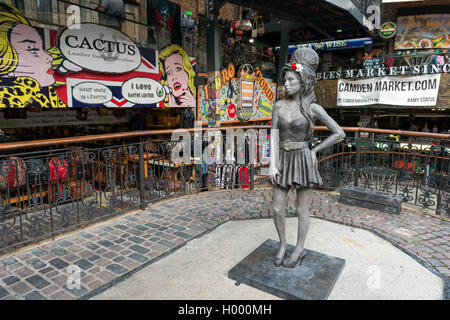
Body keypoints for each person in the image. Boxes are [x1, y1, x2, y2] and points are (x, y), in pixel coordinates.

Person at [269, 47, 345, 268]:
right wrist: (272, 163)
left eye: (292, 79)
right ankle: (283, 243)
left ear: (303, 82)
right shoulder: (278, 106)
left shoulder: (313, 108)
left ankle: (299, 247)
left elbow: (339, 133)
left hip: (303, 159)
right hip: (282, 159)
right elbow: (273, 135)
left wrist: (314, 150)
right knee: (276, 209)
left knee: (302, 209)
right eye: (286, 80)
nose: (288, 84)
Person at [0, 3, 66, 108]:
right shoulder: (19, 98)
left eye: (41, 48)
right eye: (34, 50)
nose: (50, 58)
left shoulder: (48, 96)